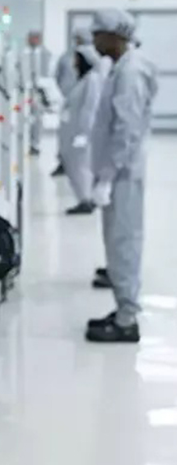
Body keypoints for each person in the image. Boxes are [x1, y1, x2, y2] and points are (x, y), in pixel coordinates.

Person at [86, 9, 158, 343]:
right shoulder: (120, 69)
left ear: (115, 36)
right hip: (117, 172)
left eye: (97, 34)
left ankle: (127, 320)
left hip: (123, 174)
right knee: (116, 243)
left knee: (124, 242)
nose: (93, 40)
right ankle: (122, 307)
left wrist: (108, 176)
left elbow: (126, 132)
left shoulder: (130, 73)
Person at [59, 45, 111, 215]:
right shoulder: (84, 80)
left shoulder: (93, 80)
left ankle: (86, 200)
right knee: (75, 165)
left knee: (81, 166)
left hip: (83, 133)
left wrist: (84, 133)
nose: (73, 64)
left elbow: (90, 108)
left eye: (77, 59)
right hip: (74, 131)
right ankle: (83, 198)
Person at [51, 26, 94, 177]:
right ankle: (64, 162)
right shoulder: (66, 56)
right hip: (69, 100)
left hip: (88, 102)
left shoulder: (94, 56)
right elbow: (58, 75)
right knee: (65, 133)